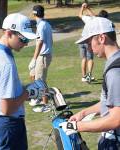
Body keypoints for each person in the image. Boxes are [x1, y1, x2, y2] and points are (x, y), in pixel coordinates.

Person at [0, 13, 48, 150]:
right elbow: (7, 108)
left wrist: (23, 89)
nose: (26, 43)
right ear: (9, 33)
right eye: (23, 39)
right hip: (8, 125)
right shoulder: (5, 63)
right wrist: (27, 93)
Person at [60, 17, 120, 150]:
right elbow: (111, 102)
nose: (88, 47)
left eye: (89, 42)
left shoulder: (115, 72)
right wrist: (84, 113)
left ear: (101, 38)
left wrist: (77, 127)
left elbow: (116, 119)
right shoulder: (114, 62)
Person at [28, 5, 53, 113]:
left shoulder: (42, 25)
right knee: (32, 74)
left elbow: (40, 42)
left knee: (41, 81)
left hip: (43, 56)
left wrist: (34, 58)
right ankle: (37, 98)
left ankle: (46, 104)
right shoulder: (45, 24)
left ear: (34, 14)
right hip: (42, 55)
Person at [78, 3, 109, 83]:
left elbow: (80, 15)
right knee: (90, 58)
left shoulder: (90, 19)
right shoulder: (101, 23)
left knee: (84, 58)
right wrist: (87, 8)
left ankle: (83, 76)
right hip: (89, 41)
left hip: (82, 39)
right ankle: (89, 75)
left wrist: (83, 7)